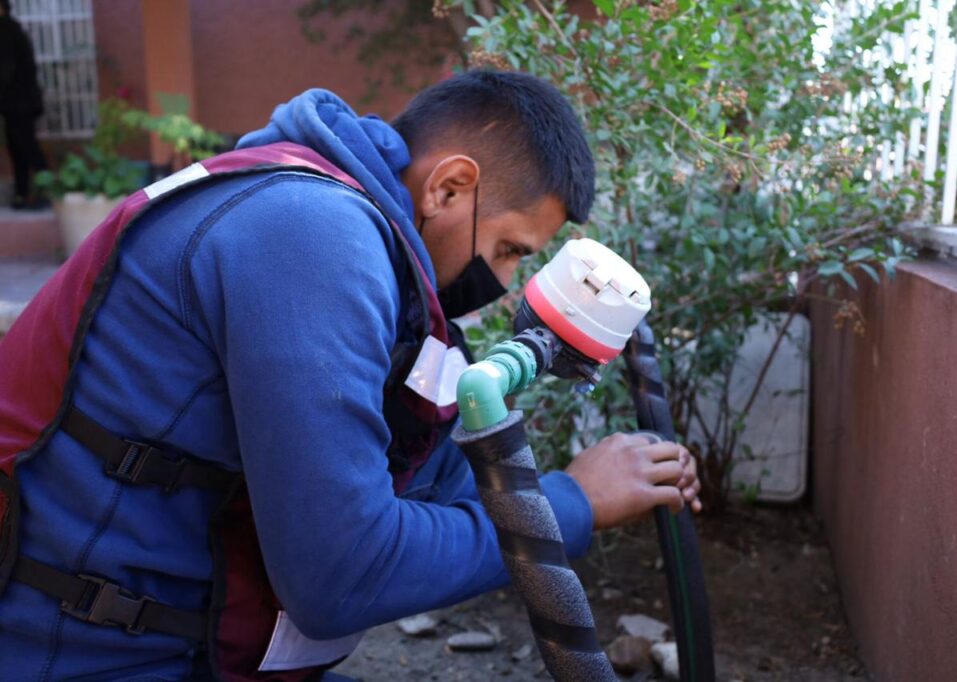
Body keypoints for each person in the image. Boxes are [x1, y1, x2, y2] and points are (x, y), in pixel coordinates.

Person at [0, 70, 700, 680]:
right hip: (85, 656)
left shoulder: (375, 262)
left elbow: (443, 487)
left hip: (181, 650)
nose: (508, 281)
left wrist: (582, 490)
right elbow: (342, 576)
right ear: (451, 188)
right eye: (509, 249)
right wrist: (571, 504)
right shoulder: (310, 234)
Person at [0, 0, 48, 209]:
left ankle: (46, 191)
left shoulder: (6, 30)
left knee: (26, 147)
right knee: (18, 148)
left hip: (19, 103)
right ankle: (22, 193)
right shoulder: (11, 28)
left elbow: (6, 69)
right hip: (16, 103)